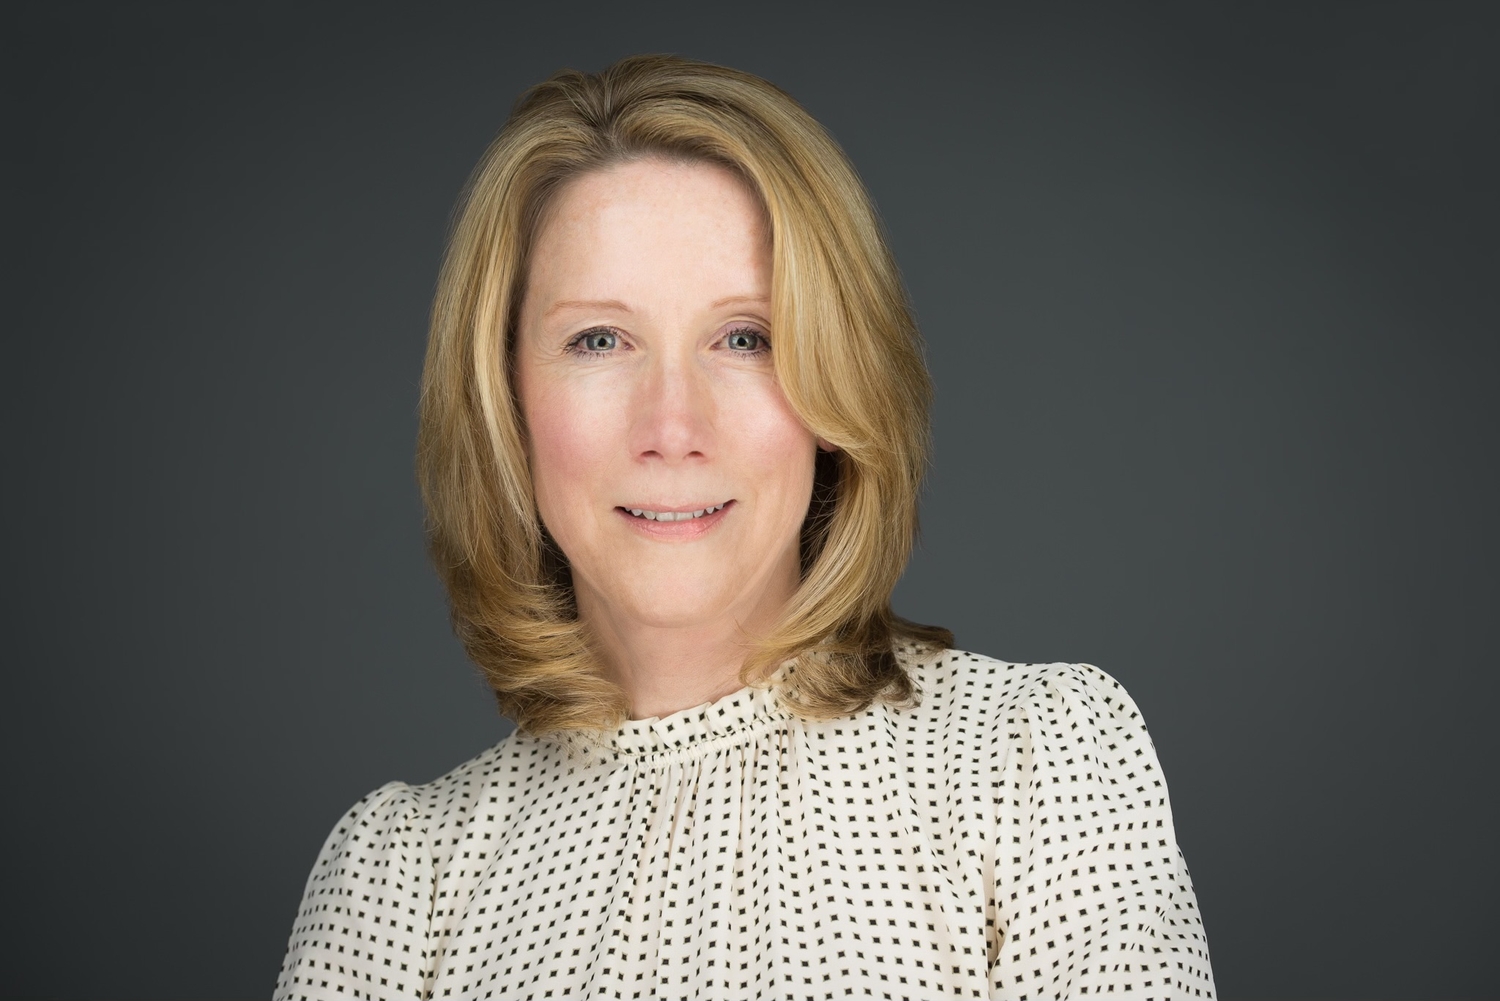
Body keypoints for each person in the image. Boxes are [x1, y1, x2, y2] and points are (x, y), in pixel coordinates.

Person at [273, 55, 1214, 1000]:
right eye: (599, 339)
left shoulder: (1036, 764)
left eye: (744, 338)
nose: (672, 426)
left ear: (837, 385)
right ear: (502, 395)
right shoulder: (398, 880)